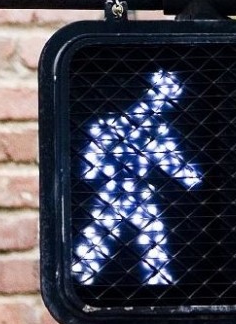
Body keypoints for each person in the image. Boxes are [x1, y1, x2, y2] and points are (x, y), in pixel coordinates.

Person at [71, 70, 203, 286]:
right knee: (112, 236)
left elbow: (174, 164)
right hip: (118, 192)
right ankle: (157, 280)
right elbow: (174, 165)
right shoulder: (129, 125)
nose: (168, 104)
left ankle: (158, 281)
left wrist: (190, 177)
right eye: (167, 96)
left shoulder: (149, 128)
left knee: (143, 239)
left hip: (127, 193)